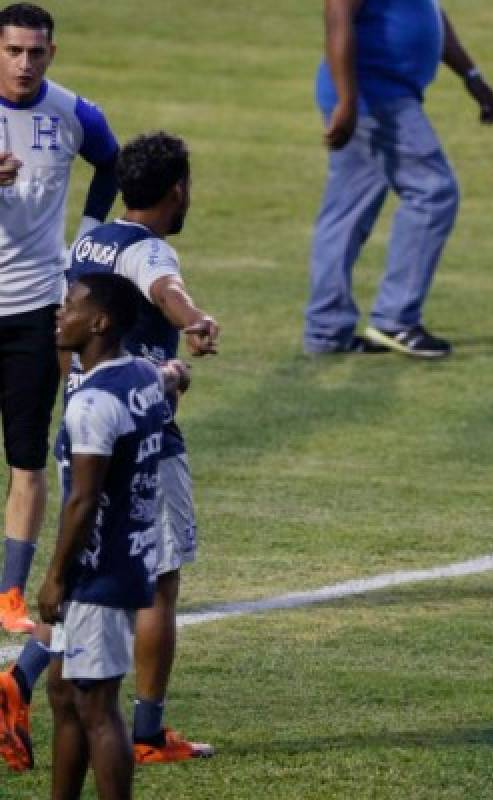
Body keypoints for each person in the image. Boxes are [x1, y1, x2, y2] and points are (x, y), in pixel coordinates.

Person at [0, 132, 218, 772]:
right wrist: (194, 321)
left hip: (85, 427)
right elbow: (166, 291)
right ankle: (148, 732)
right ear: (178, 190)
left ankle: (17, 681)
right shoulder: (151, 251)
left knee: (99, 578)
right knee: (157, 585)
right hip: (140, 439)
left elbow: (63, 327)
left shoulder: (88, 241)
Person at [0, 2, 119, 634]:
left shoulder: (73, 115)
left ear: (52, 53)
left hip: (33, 310)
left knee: (26, 458)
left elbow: (114, 161)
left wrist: (87, 243)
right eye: (13, 50)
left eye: (36, 52)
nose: (24, 63)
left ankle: (9, 596)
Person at [304, 0, 493, 358]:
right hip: (375, 99)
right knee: (434, 191)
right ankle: (395, 318)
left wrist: (471, 76)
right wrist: (348, 100)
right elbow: (338, 14)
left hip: (373, 98)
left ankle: (327, 331)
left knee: (345, 212)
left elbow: (429, 15)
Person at [35, 273, 167, 798]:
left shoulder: (92, 407)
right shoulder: (140, 374)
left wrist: (55, 578)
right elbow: (170, 381)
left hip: (98, 571)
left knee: (97, 707)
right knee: (64, 692)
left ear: (100, 322)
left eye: (70, 306)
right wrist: (179, 375)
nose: (60, 314)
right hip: (125, 557)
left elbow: (83, 500)